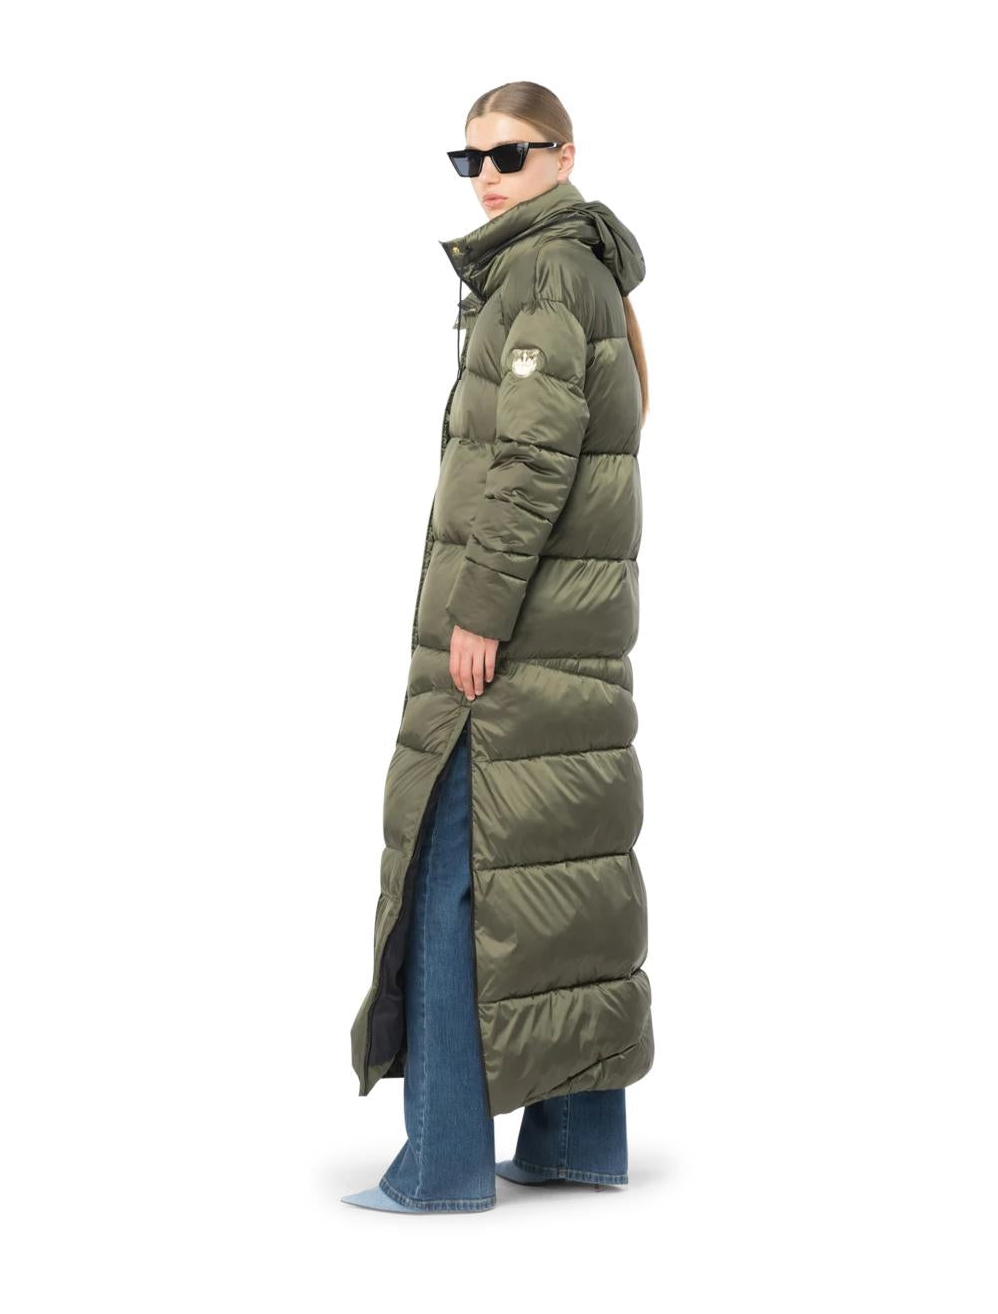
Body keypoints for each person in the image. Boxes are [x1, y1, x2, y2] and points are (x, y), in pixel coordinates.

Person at [344, 81, 653, 1214]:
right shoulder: (577, 267)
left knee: (454, 875)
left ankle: (443, 1166)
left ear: (563, 155)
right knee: (564, 869)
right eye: (469, 158)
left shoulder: (542, 271)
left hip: (515, 632)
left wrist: (481, 609)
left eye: (511, 155)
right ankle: (575, 1140)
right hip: (575, 629)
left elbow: (530, 460)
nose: (487, 177)